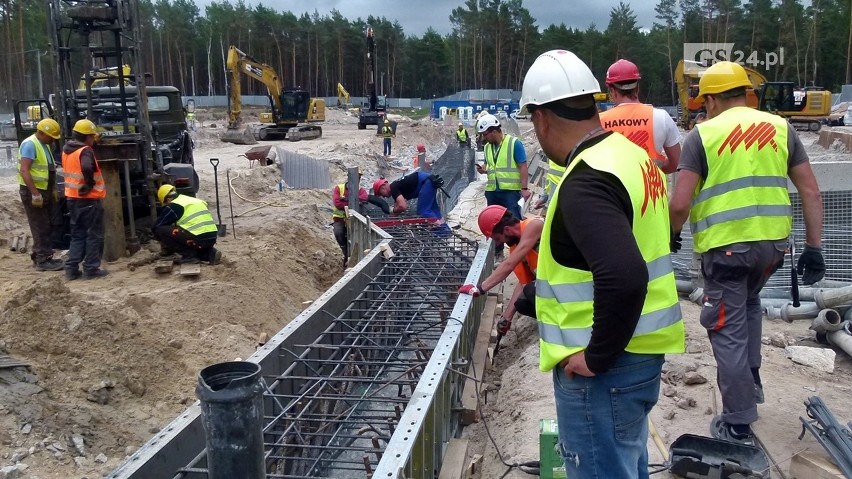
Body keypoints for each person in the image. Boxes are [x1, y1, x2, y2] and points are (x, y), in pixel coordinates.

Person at [521, 49, 684, 478]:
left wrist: (597, 357)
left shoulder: (586, 179)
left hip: (605, 369)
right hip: (640, 355)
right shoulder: (633, 157)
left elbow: (625, 276)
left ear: (540, 118)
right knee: (626, 465)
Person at [669, 61, 824, 446]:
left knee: (726, 328)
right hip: (772, 249)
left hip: (727, 251)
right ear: (744, 92)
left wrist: (671, 233)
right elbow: (811, 191)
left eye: (705, 102)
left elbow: (680, 203)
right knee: (750, 304)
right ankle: (750, 380)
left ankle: (737, 421)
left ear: (713, 99)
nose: (704, 109)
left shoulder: (702, 136)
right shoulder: (780, 127)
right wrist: (814, 248)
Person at [458, 205, 543, 332]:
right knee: (521, 305)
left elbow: (509, 265)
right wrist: (506, 317)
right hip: (554, 283)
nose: (498, 243)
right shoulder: (516, 246)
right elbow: (523, 283)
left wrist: (480, 288)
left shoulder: (534, 225)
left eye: (498, 238)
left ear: (507, 230)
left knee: (532, 290)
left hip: (569, 280)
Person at [599, 59, 682, 174]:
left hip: (612, 191)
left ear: (612, 91)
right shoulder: (661, 117)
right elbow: (676, 162)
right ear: (637, 87)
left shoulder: (599, 121)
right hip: (650, 190)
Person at [475, 113, 529, 257]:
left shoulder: (514, 143)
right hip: (493, 191)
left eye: (485, 134)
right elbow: (490, 165)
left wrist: (524, 188)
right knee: (494, 226)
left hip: (510, 192)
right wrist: (483, 169)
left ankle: (521, 255)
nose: (483, 138)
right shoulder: (487, 147)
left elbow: (523, 166)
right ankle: (498, 253)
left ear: (493, 131)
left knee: (514, 223)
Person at [62, 119, 109, 280]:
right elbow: (87, 166)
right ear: (87, 136)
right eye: (91, 136)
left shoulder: (67, 149)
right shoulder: (85, 151)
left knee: (78, 235)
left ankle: (71, 269)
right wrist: (89, 184)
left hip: (72, 199)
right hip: (88, 200)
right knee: (93, 234)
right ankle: (91, 268)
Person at [17, 118, 64, 271]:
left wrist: (52, 190)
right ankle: (42, 260)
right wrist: (35, 193)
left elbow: (47, 169)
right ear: (43, 133)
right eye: (51, 137)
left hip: (44, 190)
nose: (52, 141)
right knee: (40, 225)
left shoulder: (44, 145)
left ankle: (42, 255)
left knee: (47, 224)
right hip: (34, 191)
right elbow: (25, 170)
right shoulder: (30, 144)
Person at [153, 184, 221, 265]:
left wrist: (166, 246)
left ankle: (189, 256)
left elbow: (157, 225)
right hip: (212, 238)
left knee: (159, 230)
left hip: (197, 239)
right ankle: (209, 253)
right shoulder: (192, 200)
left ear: (168, 199)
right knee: (194, 238)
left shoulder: (175, 205)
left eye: (165, 205)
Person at [331, 178, 389, 268]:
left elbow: (364, 198)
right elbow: (337, 204)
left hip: (354, 219)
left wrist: (346, 200)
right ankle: (345, 252)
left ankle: (356, 258)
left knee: (359, 236)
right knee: (339, 232)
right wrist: (353, 202)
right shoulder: (339, 188)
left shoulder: (360, 190)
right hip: (340, 219)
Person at [373, 172, 450, 235]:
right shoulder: (396, 187)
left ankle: (442, 232)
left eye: (381, 194)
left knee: (424, 211)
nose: (383, 197)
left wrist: (393, 210)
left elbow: (403, 206)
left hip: (425, 182)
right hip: (428, 180)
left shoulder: (393, 188)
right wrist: (388, 224)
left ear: (382, 187)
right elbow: (397, 208)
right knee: (433, 209)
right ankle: (447, 232)